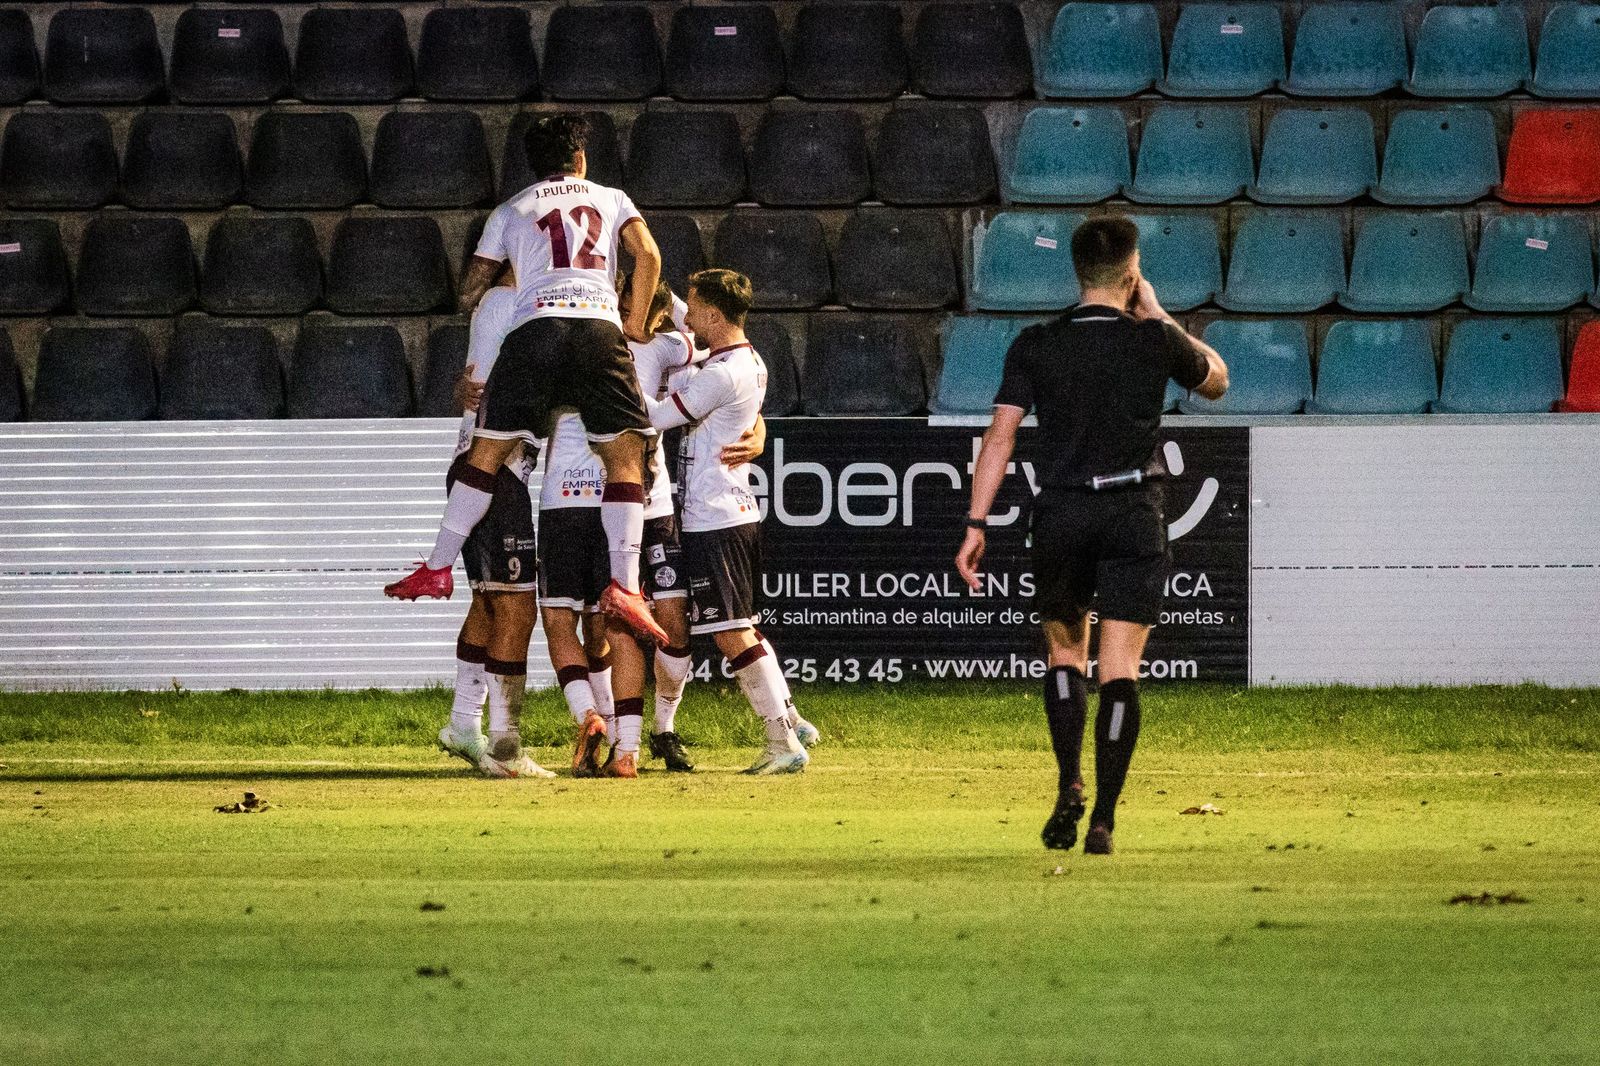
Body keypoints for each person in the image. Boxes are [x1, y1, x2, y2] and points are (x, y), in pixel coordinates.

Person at [955, 216, 1228, 855]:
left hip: (1063, 512)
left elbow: (999, 439)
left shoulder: (1036, 343)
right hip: (1134, 508)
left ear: (1077, 273)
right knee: (1121, 669)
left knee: (1064, 655)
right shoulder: (1154, 340)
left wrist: (976, 522)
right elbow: (1217, 379)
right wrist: (1159, 315)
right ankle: (1104, 818)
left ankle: (1068, 781)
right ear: (1132, 274)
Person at [384, 113, 669, 648]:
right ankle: (625, 586)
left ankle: (439, 565)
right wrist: (632, 322)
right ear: (580, 159)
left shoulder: (511, 207)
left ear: (533, 166)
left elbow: (469, 291)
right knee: (625, 458)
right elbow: (648, 255)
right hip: (597, 332)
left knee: (487, 456)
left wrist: (505, 268)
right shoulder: (611, 197)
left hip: (533, 331)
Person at [641, 269, 818, 775]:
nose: (686, 318)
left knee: (731, 633)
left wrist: (610, 383)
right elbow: (675, 305)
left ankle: (782, 742)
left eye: (695, 310)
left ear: (715, 315)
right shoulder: (739, 356)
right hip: (725, 511)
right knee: (743, 626)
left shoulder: (721, 373)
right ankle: (790, 717)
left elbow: (656, 418)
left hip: (714, 518)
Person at [435, 279, 555, 780]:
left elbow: (477, 385)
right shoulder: (513, 300)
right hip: (496, 473)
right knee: (516, 609)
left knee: (488, 602)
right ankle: (505, 749)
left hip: (487, 469)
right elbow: (482, 388)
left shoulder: (502, 304)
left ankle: (463, 724)